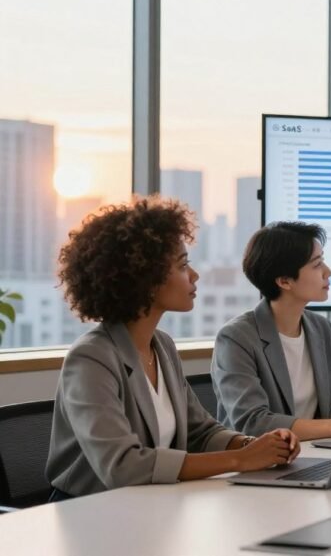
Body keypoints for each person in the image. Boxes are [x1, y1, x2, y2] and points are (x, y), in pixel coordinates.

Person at [47, 197, 299, 500]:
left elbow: (200, 432)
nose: (194, 276)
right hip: (91, 512)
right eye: (182, 265)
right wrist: (240, 460)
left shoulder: (161, 346)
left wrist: (254, 445)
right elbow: (122, 467)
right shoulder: (91, 358)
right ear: (146, 279)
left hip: (153, 504)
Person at [212, 221, 331, 440]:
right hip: (261, 464)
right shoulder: (236, 338)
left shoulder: (321, 329)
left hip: (315, 456)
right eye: (317, 264)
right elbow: (253, 422)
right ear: (284, 281)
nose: (328, 272)